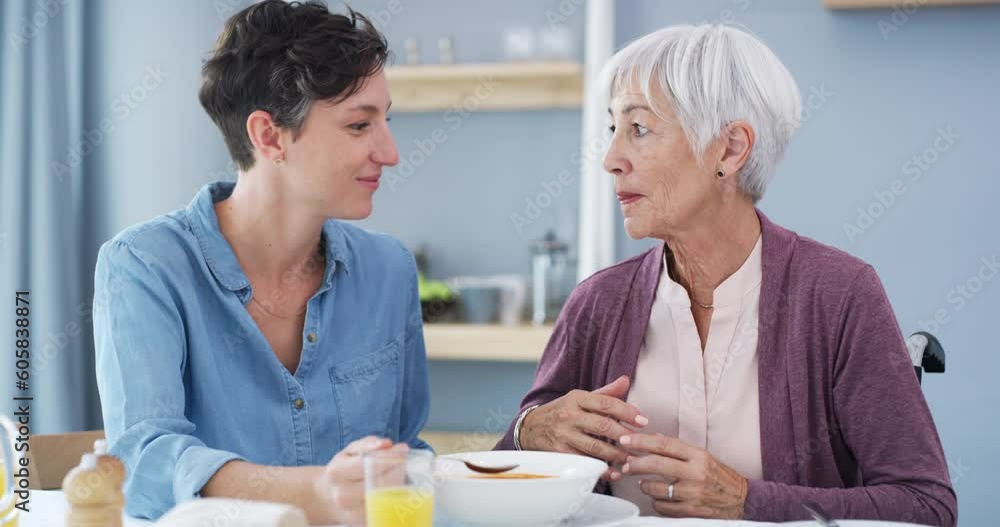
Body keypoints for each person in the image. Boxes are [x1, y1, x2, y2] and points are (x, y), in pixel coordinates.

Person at [498, 24, 957, 525]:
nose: (611, 160)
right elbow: (505, 482)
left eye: (639, 129)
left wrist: (746, 501)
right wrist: (529, 432)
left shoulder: (839, 295)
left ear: (731, 149)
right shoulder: (598, 302)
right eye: (613, 130)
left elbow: (926, 507)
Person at [94, 2, 428, 524]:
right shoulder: (145, 266)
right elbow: (143, 460)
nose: (390, 152)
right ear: (269, 136)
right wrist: (314, 492)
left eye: (386, 120)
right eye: (360, 126)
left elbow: (407, 451)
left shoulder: (389, 271)